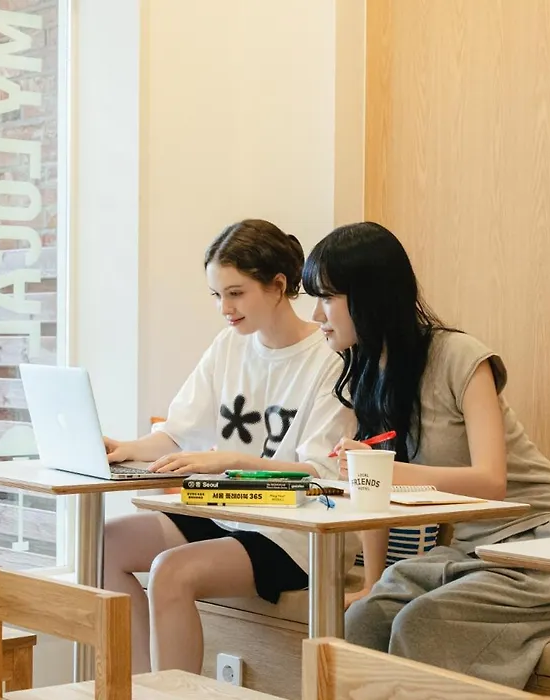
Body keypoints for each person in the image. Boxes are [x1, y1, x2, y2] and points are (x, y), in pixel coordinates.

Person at [305, 221, 550, 689]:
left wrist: (389, 472)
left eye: (326, 297)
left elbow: (491, 482)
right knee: (363, 619)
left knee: (422, 625)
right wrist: (372, 582)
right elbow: (373, 495)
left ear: (371, 296)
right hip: (475, 553)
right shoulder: (368, 371)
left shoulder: (462, 357)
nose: (316, 315)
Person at [101, 219, 358, 673]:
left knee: (170, 571)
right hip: (228, 511)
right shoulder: (228, 346)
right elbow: (179, 433)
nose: (225, 308)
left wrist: (232, 460)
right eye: (217, 295)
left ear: (278, 286)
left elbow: (321, 475)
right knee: (106, 545)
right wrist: (126, 448)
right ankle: (140, 688)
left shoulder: (329, 358)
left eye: (236, 293)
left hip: (295, 532)